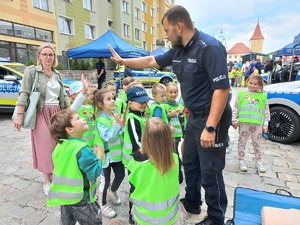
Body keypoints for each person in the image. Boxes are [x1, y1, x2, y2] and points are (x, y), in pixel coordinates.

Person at [109, 5, 231, 225]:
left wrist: (211, 127)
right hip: (193, 117)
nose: (164, 35)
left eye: (166, 30)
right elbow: (150, 61)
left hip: (211, 118)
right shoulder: (178, 50)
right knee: (191, 163)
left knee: (211, 172)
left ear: (179, 26)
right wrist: (123, 61)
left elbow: (222, 89)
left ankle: (216, 218)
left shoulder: (209, 48)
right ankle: (193, 201)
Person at [13, 42, 69, 196]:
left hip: (57, 112)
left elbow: (63, 96)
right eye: (44, 54)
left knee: (58, 145)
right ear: (39, 56)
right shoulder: (32, 72)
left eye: (50, 54)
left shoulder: (57, 74)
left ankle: (55, 175)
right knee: (45, 146)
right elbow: (24, 93)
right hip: (40, 112)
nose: (48, 57)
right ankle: (47, 180)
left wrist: (69, 113)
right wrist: (19, 115)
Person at [48, 108, 103, 225]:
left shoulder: (60, 146)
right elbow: (95, 172)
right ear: (69, 129)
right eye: (78, 118)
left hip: (65, 197)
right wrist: (99, 155)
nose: (83, 119)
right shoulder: (82, 149)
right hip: (82, 199)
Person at [128, 117, 180, 225]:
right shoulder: (174, 159)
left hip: (144, 219)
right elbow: (179, 180)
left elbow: (133, 188)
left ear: (144, 138)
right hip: (170, 217)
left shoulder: (135, 163)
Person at [123, 86, 152, 224]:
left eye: (145, 101)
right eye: (140, 101)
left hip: (143, 159)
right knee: (135, 188)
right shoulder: (132, 119)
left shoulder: (142, 116)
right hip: (135, 161)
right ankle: (131, 214)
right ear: (130, 102)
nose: (144, 104)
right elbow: (137, 142)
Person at [94, 89, 125, 218]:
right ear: (101, 104)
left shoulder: (115, 115)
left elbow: (121, 132)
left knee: (121, 175)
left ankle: (112, 191)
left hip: (117, 155)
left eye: (113, 98)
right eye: (108, 99)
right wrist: (118, 125)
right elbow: (108, 137)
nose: (112, 101)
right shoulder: (100, 120)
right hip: (105, 156)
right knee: (104, 181)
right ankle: (102, 203)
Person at [231, 73, 270, 173]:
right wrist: (234, 120)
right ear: (247, 82)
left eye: (255, 84)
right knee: (241, 142)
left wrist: (265, 124)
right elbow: (235, 107)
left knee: (257, 144)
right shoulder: (241, 94)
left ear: (260, 85)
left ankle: (259, 161)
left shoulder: (263, 96)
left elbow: (266, 111)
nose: (252, 85)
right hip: (243, 124)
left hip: (257, 125)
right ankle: (241, 160)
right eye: (250, 83)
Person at [164, 82, 185, 183]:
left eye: (175, 92)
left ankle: (178, 174)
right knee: (171, 154)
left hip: (176, 135)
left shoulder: (180, 105)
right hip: (168, 135)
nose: (173, 94)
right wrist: (169, 116)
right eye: (171, 92)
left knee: (175, 153)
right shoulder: (164, 106)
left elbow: (183, 121)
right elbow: (163, 120)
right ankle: (172, 172)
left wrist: (181, 115)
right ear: (166, 93)